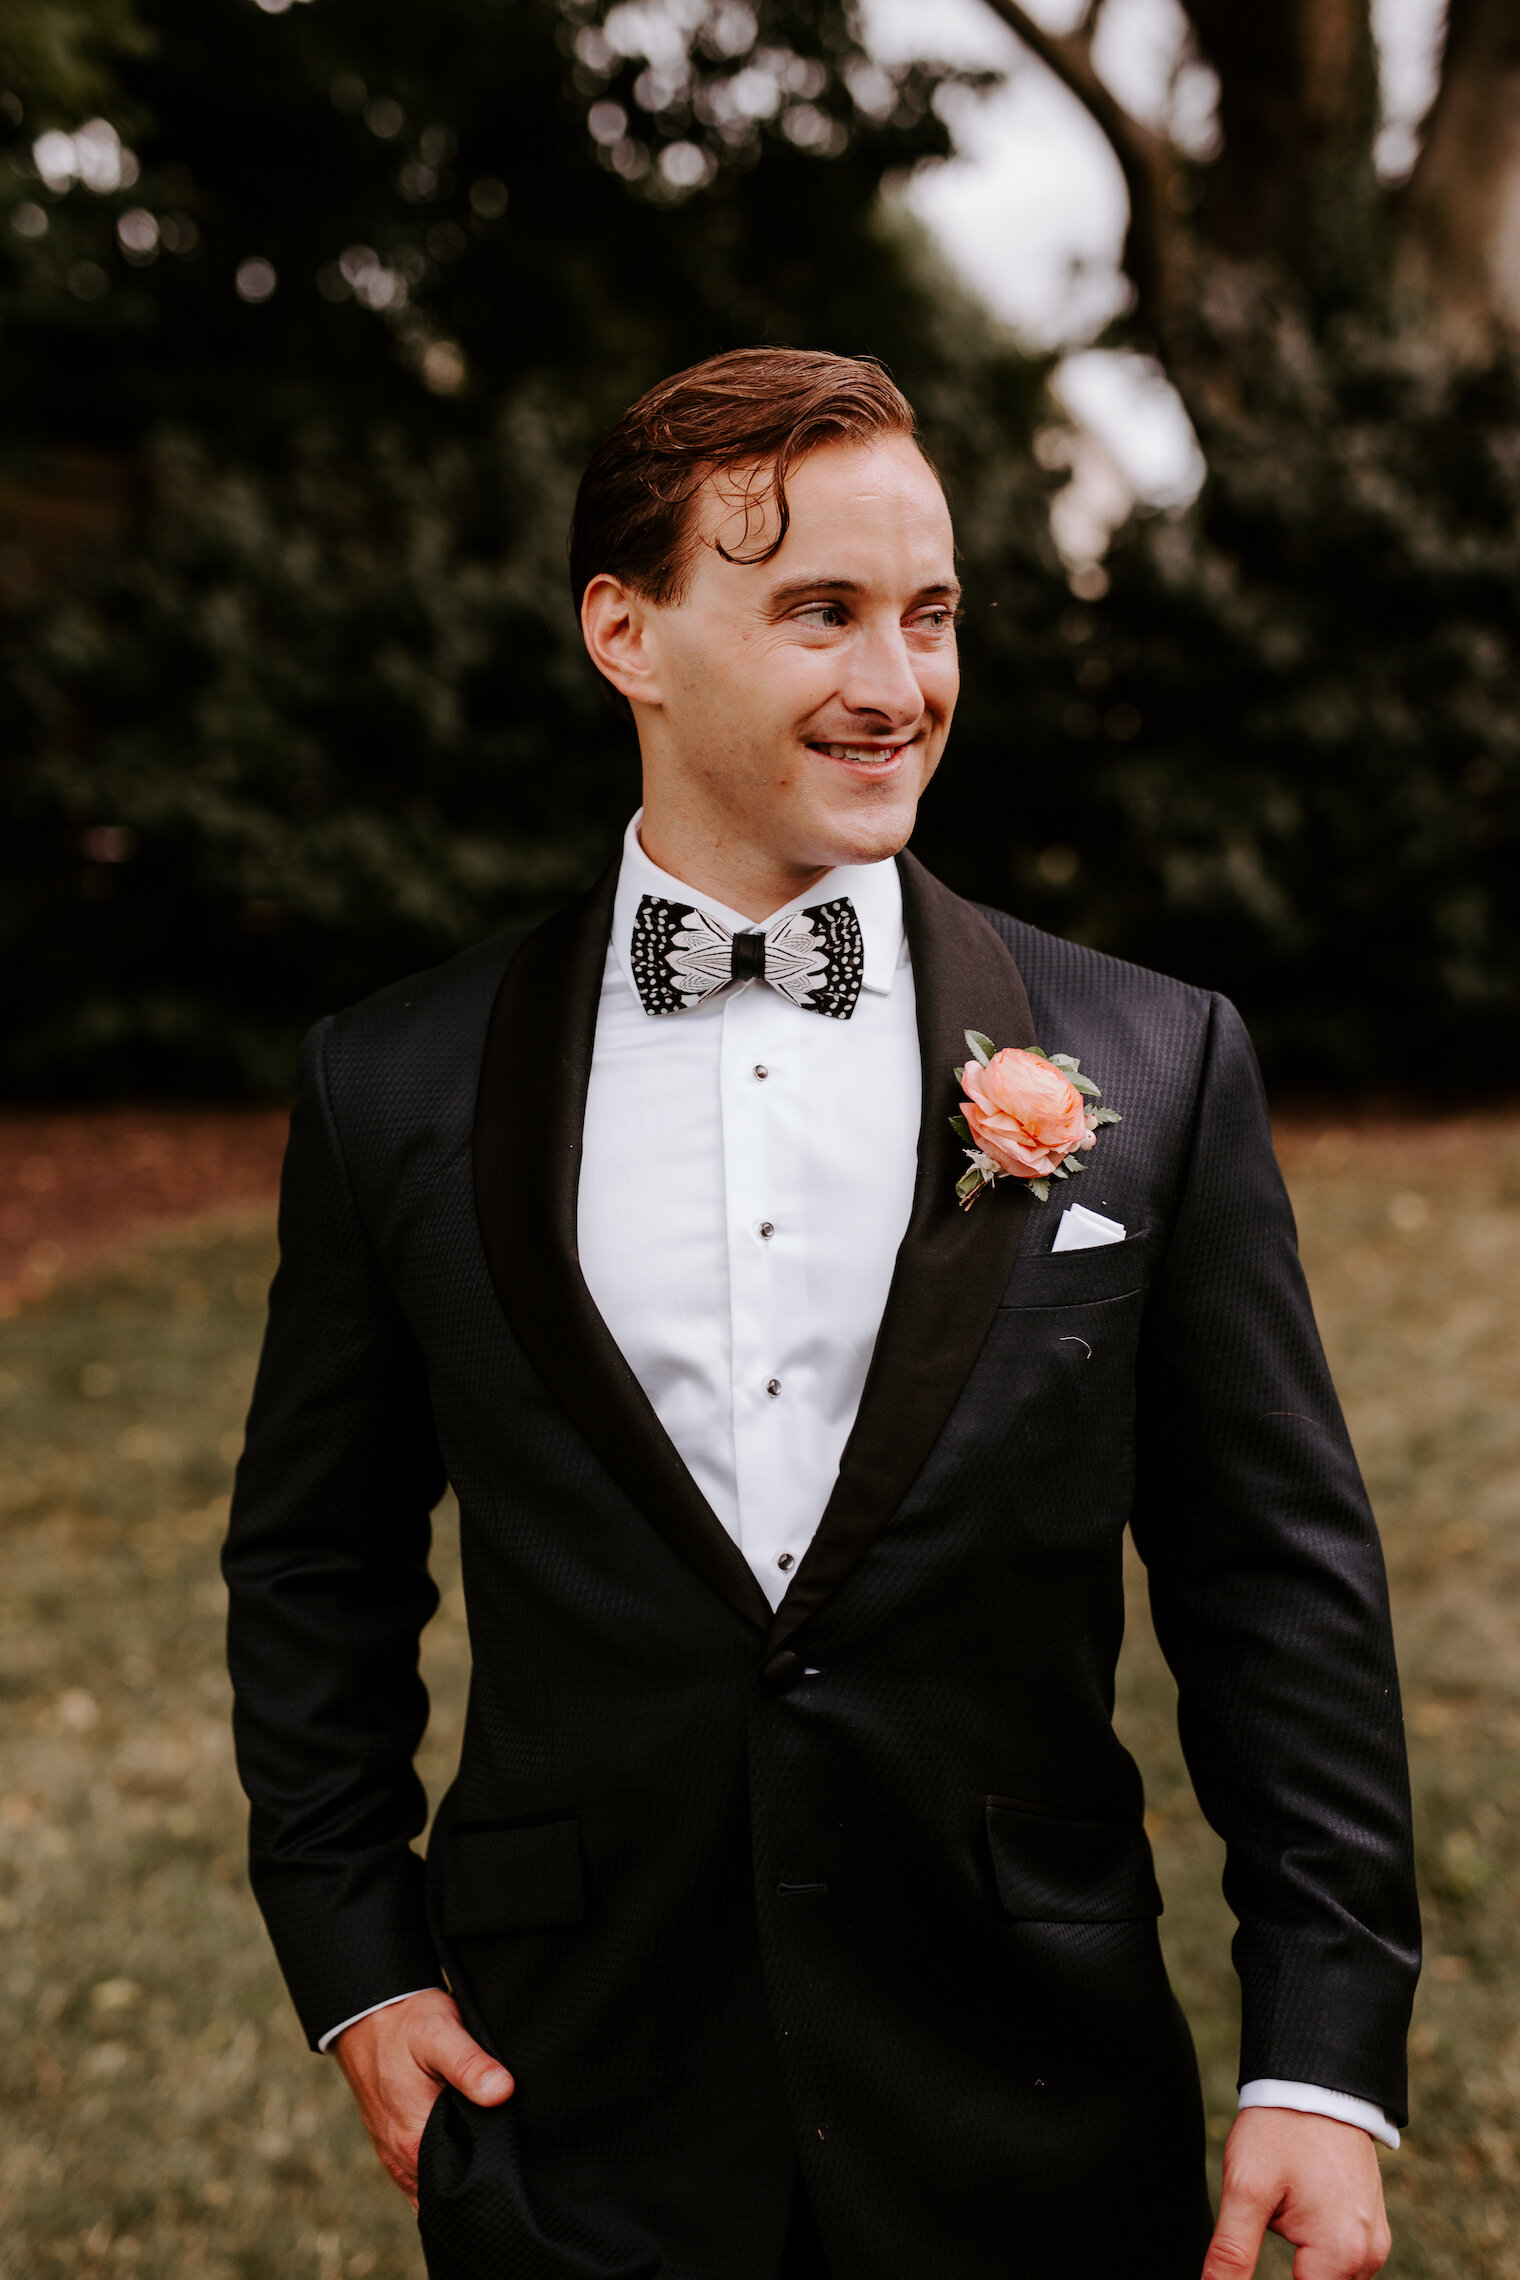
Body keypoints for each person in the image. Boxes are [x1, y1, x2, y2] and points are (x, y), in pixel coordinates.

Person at [223, 348, 1419, 2280]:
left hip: (1028, 2089)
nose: (896, 682)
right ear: (625, 632)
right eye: (820, 612)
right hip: (578, 2097)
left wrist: (1324, 2057)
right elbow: (315, 1566)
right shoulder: (398, 1086)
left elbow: (1276, 1581)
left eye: (928, 614)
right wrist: (360, 1961)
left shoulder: (1153, 1059)